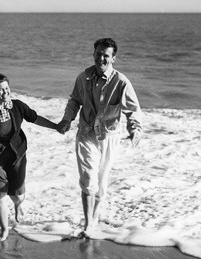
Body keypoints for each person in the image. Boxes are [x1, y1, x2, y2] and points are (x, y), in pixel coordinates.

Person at [56, 38, 142, 236]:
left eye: (106, 55)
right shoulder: (83, 77)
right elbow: (74, 101)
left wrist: (135, 129)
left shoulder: (121, 82)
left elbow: (133, 109)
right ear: (93, 54)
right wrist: (67, 120)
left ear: (113, 58)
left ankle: (94, 217)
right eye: (98, 54)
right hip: (86, 133)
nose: (101, 58)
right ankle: (88, 225)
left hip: (109, 136)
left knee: (101, 183)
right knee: (88, 178)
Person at [0, 73, 57, 241]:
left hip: (16, 155)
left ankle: (18, 205)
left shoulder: (17, 106)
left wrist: (55, 126)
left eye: (7, 89)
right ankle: (4, 230)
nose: (5, 93)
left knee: (17, 195)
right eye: (0, 90)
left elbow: (35, 118)